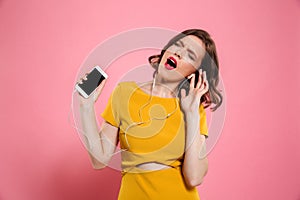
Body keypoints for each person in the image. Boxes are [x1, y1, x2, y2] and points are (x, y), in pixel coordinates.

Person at [76, 29, 223, 200]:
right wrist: (85, 106)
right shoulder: (124, 93)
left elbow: (194, 177)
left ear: (194, 73)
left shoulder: (193, 109)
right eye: (178, 45)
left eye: (190, 54)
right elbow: (99, 160)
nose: (179, 53)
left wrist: (191, 114)